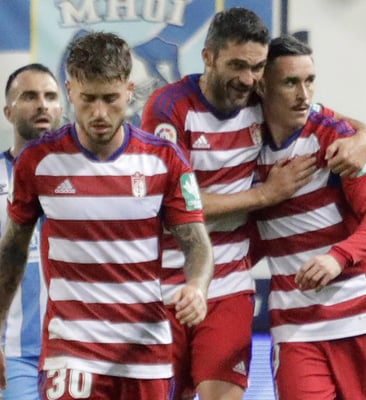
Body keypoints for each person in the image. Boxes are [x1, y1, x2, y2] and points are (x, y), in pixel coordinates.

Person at [141, 7, 366, 400]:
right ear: (208, 57)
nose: (248, 79)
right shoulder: (170, 108)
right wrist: (265, 195)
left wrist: (363, 137)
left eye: (257, 67)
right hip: (165, 283)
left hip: (229, 284)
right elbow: (170, 209)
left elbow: (329, 120)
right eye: (237, 65)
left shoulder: (259, 97)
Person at [0, 31, 214, 400]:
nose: (99, 113)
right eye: (88, 99)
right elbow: (13, 250)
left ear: (129, 91)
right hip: (70, 355)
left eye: (110, 98)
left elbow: (196, 243)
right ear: (70, 92)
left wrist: (197, 286)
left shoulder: (165, 160)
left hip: (145, 356)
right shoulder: (37, 162)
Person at [252, 34, 366, 400]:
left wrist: (336, 258)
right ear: (262, 86)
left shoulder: (334, 138)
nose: (303, 95)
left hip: (362, 316)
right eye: (290, 82)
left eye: (310, 81)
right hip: (295, 327)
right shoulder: (243, 144)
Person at [0, 63, 63, 400]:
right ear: (8, 112)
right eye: (29, 96)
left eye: (50, 96)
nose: (42, 105)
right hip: (13, 355)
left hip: (76, 350)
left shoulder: (87, 176)